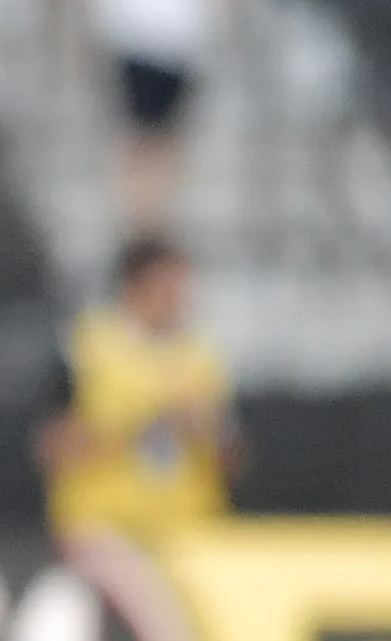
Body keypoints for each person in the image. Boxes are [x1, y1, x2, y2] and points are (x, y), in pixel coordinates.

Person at [37, 231, 240, 539]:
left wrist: (209, 433)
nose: (180, 297)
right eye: (169, 286)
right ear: (136, 284)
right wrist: (146, 426)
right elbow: (51, 449)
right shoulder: (86, 347)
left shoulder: (201, 356)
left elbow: (233, 461)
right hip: (102, 530)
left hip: (189, 533)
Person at [67, 0, 231, 232]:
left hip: (181, 37)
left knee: (164, 135)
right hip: (136, 34)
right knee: (141, 133)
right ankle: (139, 218)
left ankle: (153, 216)